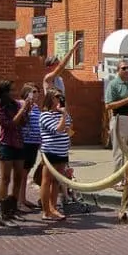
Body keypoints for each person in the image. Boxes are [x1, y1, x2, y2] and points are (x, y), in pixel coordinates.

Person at [0, 80, 32, 228]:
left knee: (18, 177)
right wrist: (22, 110)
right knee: (5, 178)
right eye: (10, 91)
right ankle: (4, 215)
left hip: (19, 143)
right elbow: (10, 125)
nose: (13, 94)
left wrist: (26, 110)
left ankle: (13, 209)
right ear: (3, 93)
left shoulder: (16, 105)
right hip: (6, 145)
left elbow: (22, 123)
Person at [104, 59, 128, 192]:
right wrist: (126, 100)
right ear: (118, 70)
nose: (127, 71)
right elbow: (108, 105)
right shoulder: (113, 85)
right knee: (119, 151)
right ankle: (117, 180)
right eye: (124, 68)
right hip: (120, 117)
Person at [38, 88, 72, 221]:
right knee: (46, 180)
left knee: (57, 181)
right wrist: (64, 115)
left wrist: (69, 138)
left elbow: (68, 127)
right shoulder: (45, 115)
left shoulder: (63, 113)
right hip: (50, 152)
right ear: (51, 98)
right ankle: (46, 211)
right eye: (57, 97)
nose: (60, 99)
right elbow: (58, 130)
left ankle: (53, 208)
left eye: (61, 97)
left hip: (62, 152)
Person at [19, 83, 42, 212]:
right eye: (34, 91)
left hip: (34, 143)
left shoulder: (36, 107)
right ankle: (19, 201)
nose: (36, 94)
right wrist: (26, 106)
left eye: (37, 91)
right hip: (25, 143)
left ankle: (23, 199)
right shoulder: (21, 104)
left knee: (26, 171)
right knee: (22, 173)